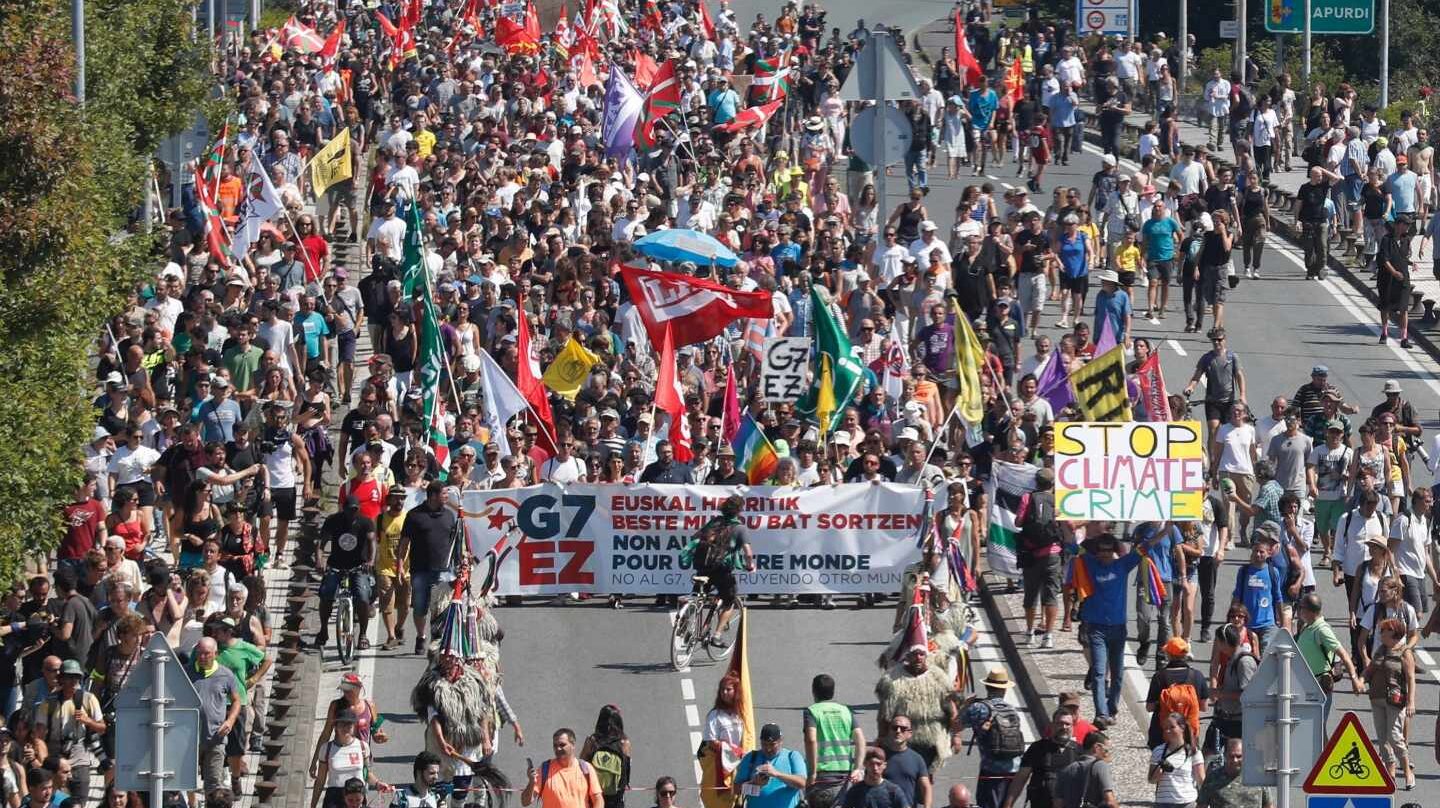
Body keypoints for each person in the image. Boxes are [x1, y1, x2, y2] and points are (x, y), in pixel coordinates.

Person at [1074, 534, 1140, 726]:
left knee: (1118, 674)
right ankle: (1101, 713)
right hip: (1097, 629)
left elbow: (1145, 548)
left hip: (1118, 628)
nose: (1104, 554)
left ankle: (1112, 708)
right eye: (1100, 550)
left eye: (1107, 550)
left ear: (1114, 550)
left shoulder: (1123, 565)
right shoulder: (1089, 562)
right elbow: (1072, 544)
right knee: (1099, 671)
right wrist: (1065, 520)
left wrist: (1164, 528)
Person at [678, 495, 755, 638]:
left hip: (704, 566)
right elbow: (748, 553)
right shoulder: (740, 528)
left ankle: (683, 622)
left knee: (697, 596)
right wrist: (750, 566)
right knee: (729, 601)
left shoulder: (714, 522)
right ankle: (717, 635)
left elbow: (696, 538)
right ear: (739, 511)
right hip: (722, 569)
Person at [396, 481, 457, 655]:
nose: (447, 497)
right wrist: (400, 565)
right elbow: (404, 542)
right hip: (420, 570)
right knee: (420, 607)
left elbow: (454, 543)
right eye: (444, 494)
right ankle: (421, 636)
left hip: (444, 571)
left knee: (442, 608)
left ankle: (438, 640)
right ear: (433, 496)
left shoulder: (449, 516)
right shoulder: (414, 516)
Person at [313, 495, 377, 650]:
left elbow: (372, 542)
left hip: (358, 566)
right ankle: (323, 630)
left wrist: (370, 561)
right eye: (349, 509)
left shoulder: (366, 522)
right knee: (326, 594)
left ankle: (362, 634)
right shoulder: (333, 521)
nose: (351, 513)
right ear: (343, 508)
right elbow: (322, 543)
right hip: (336, 565)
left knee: (362, 597)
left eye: (355, 510)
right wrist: (319, 560)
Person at [956, 670, 1024, 808]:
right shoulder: (1012, 709)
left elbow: (955, 726)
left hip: (991, 769)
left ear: (987, 687)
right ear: (1005, 690)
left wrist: (964, 705)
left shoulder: (978, 708)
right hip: (1014, 768)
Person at [1362, 618, 1416, 790]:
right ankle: (1390, 773)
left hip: (1395, 700)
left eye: (1383, 631)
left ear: (1394, 633)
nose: (1380, 634)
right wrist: (1361, 680)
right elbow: (1369, 669)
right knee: (1382, 738)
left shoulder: (1404, 652)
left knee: (1394, 736)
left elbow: (1410, 678)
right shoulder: (1380, 650)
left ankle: (1407, 771)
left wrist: (1411, 702)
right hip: (1376, 698)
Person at [1294, 593, 1362, 728]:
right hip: (1306, 684)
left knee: (1317, 727)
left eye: (1301, 608)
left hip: (1319, 685)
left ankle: (1325, 749)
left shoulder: (1322, 630)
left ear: (1310, 611)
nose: (1299, 612)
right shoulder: (1308, 626)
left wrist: (1354, 679)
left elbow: (1343, 654)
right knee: (1311, 727)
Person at [188, 637, 242, 799]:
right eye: (200, 653)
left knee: (213, 785)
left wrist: (230, 720)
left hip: (216, 737)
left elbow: (237, 701)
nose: (203, 657)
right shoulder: (186, 672)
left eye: (207, 654)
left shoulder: (226, 675)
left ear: (215, 654)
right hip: (189, 738)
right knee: (186, 781)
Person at [803, 674, 864, 808]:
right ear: (833, 691)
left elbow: (811, 740)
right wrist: (857, 768)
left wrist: (812, 772)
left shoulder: (812, 711)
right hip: (843, 775)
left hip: (821, 774)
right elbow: (860, 739)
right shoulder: (845, 711)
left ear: (813, 691)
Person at [310, 710, 391, 808]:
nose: (346, 728)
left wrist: (378, 783)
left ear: (354, 726)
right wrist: (313, 805)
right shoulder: (326, 749)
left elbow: (366, 774)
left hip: (357, 797)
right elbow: (320, 781)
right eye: (342, 724)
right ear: (335, 727)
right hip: (334, 799)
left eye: (349, 724)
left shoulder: (362, 747)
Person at [1001, 709, 1079, 808]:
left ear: (1072, 727)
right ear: (1052, 725)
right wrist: (1008, 805)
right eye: (1060, 723)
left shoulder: (1079, 751)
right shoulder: (1037, 748)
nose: (1063, 727)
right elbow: (1020, 778)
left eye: (1067, 724)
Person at [522, 729, 604, 808]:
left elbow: (598, 799)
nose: (558, 749)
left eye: (562, 745)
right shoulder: (545, 768)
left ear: (573, 745)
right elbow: (525, 802)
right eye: (555, 745)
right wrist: (531, 782)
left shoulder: (586, 768)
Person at [733, 724, 807, 808]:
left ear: (781, 741)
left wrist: (777, 774)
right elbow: (736, 789)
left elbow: (802, 783)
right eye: (764, 744)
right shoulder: (751, 757)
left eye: (772, 744)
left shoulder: (792, 756)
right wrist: (754, 784)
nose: (768, 749)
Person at [1148, 713, 1205, 807]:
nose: (1168, 731)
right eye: (1165, 728)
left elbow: (1201, 780)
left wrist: (1205, 802)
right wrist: (1158, 773)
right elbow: (1151, 780)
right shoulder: (1158, 751)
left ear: (1182, 728)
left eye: (1172, 727)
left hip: (1187, 802)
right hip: (1164, 803)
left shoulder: (1194, 752)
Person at [579, 706, 631, 808]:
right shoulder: (624, 743)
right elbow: (627, 769)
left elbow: (581, 766)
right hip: (616, 798)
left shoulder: (592, 741)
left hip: (593, 797)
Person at [1195, 739, 1272, 808]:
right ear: (1225, 755)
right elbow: (1202, 805)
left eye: (1239, 756)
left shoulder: (1257, 777)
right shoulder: (1213, 778)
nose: (1235, 760)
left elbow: (1268, 805)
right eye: (1231, 756)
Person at [879, 714, 931, 808]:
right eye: (894, 728)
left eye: (903, 729)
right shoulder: (880, 757)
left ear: (910, 733)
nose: (898, 731)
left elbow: (926, 787)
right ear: (889, 731)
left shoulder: (917, 759)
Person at [1055, 732, 1116, 808]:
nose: (1109, 755)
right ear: (1097, 747)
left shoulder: (1065, 770)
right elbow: (1110, 801)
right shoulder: (1100, 765)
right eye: (1106, 750)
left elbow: (1058, 804)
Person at [840, 747, 909, 808]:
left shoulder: (894, 791)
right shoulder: (855, 791)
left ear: (884, 765)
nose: (875, 768)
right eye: (871, 764)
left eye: (878, 764)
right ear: (865, 764)